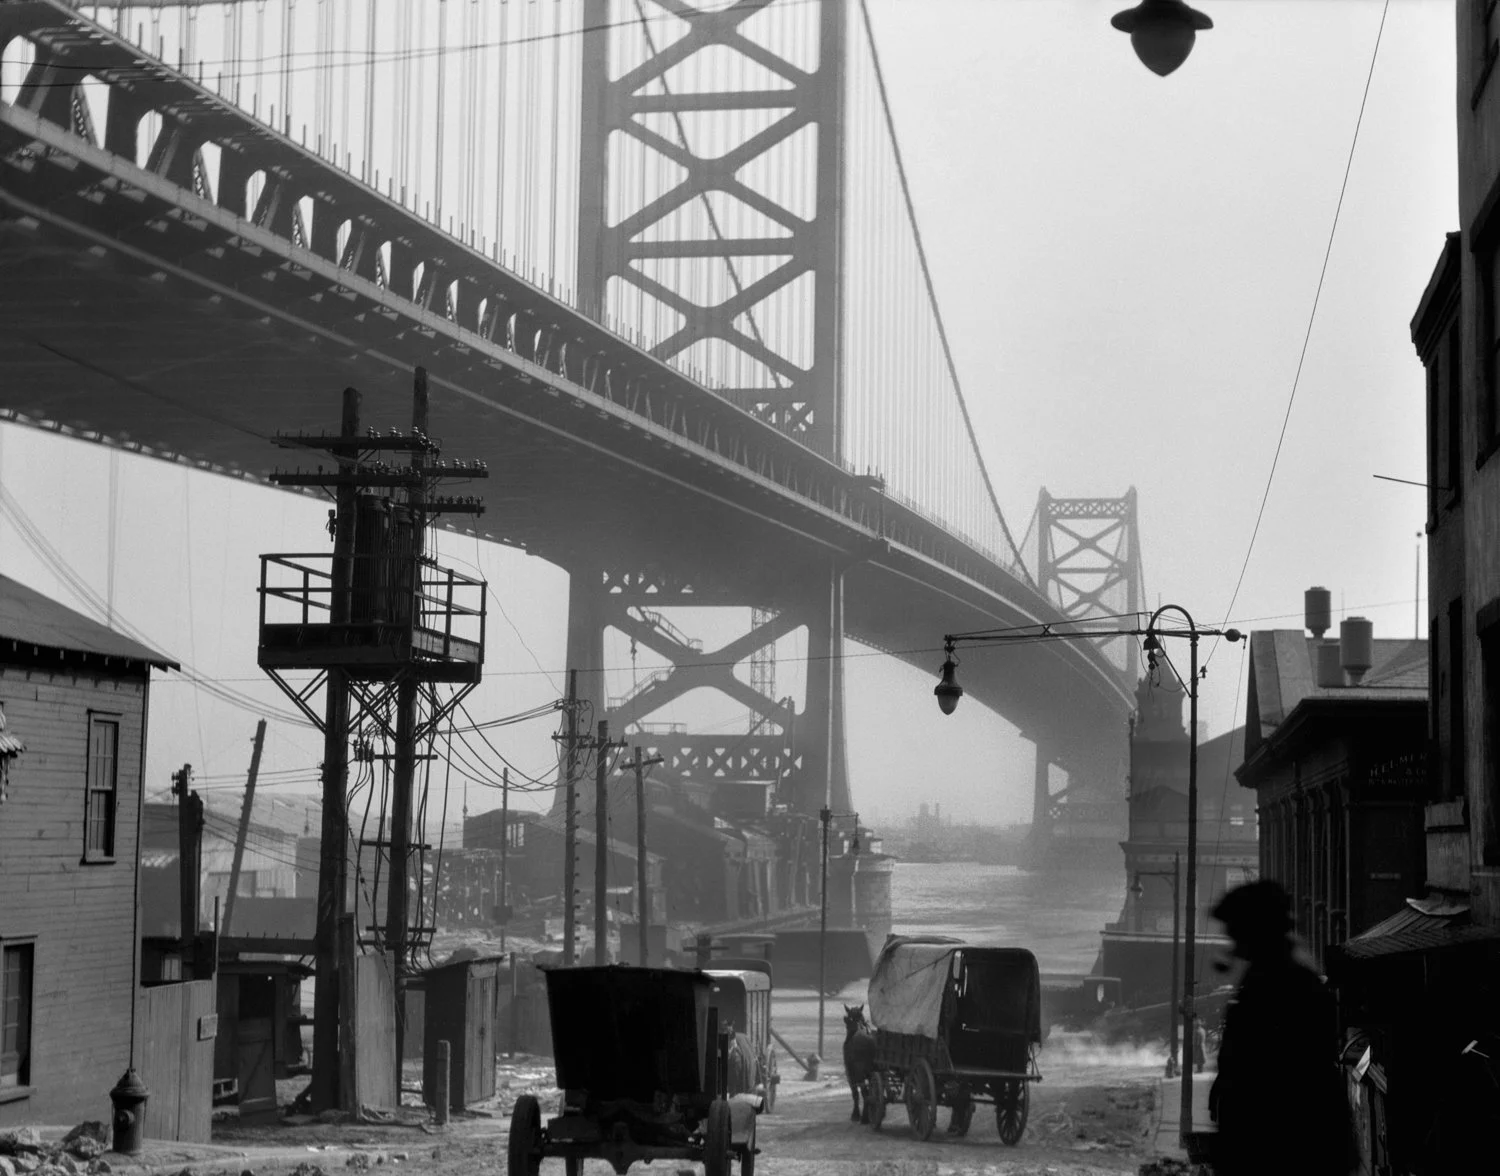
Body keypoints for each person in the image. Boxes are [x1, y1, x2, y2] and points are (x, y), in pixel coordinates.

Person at [1208, 880, 1357, 1176]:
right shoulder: (1277, 974)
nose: (1232, 944)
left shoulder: (1282, 982)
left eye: (1236, 932)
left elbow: (1273, 1080)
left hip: (1282, 1150)